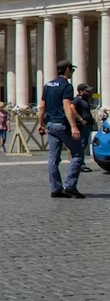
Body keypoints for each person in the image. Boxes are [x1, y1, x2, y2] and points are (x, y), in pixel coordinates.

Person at [38, 60, 84, 198]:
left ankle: (56, 188)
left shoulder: (48, 85)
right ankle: (70, 186)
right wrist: (74, 126)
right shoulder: (66, 86)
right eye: (72, 70)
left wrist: (40, 124)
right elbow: (67, 107)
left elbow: (42, 106)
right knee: (78, 154)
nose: (72, 72)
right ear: (67, 69)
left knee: (53, 158)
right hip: (62, 124)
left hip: (50, 124)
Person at [73, 83, 95, 173]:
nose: (89, 92)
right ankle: (80, 164)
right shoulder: (77, 100)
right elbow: (72, 108)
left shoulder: (84, 100)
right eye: (87, 90)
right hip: (82, 126)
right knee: (81, 145)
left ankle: (80, 163)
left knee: (83, 144)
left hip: (87, 125)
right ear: (81, 91)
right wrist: (81, 119)